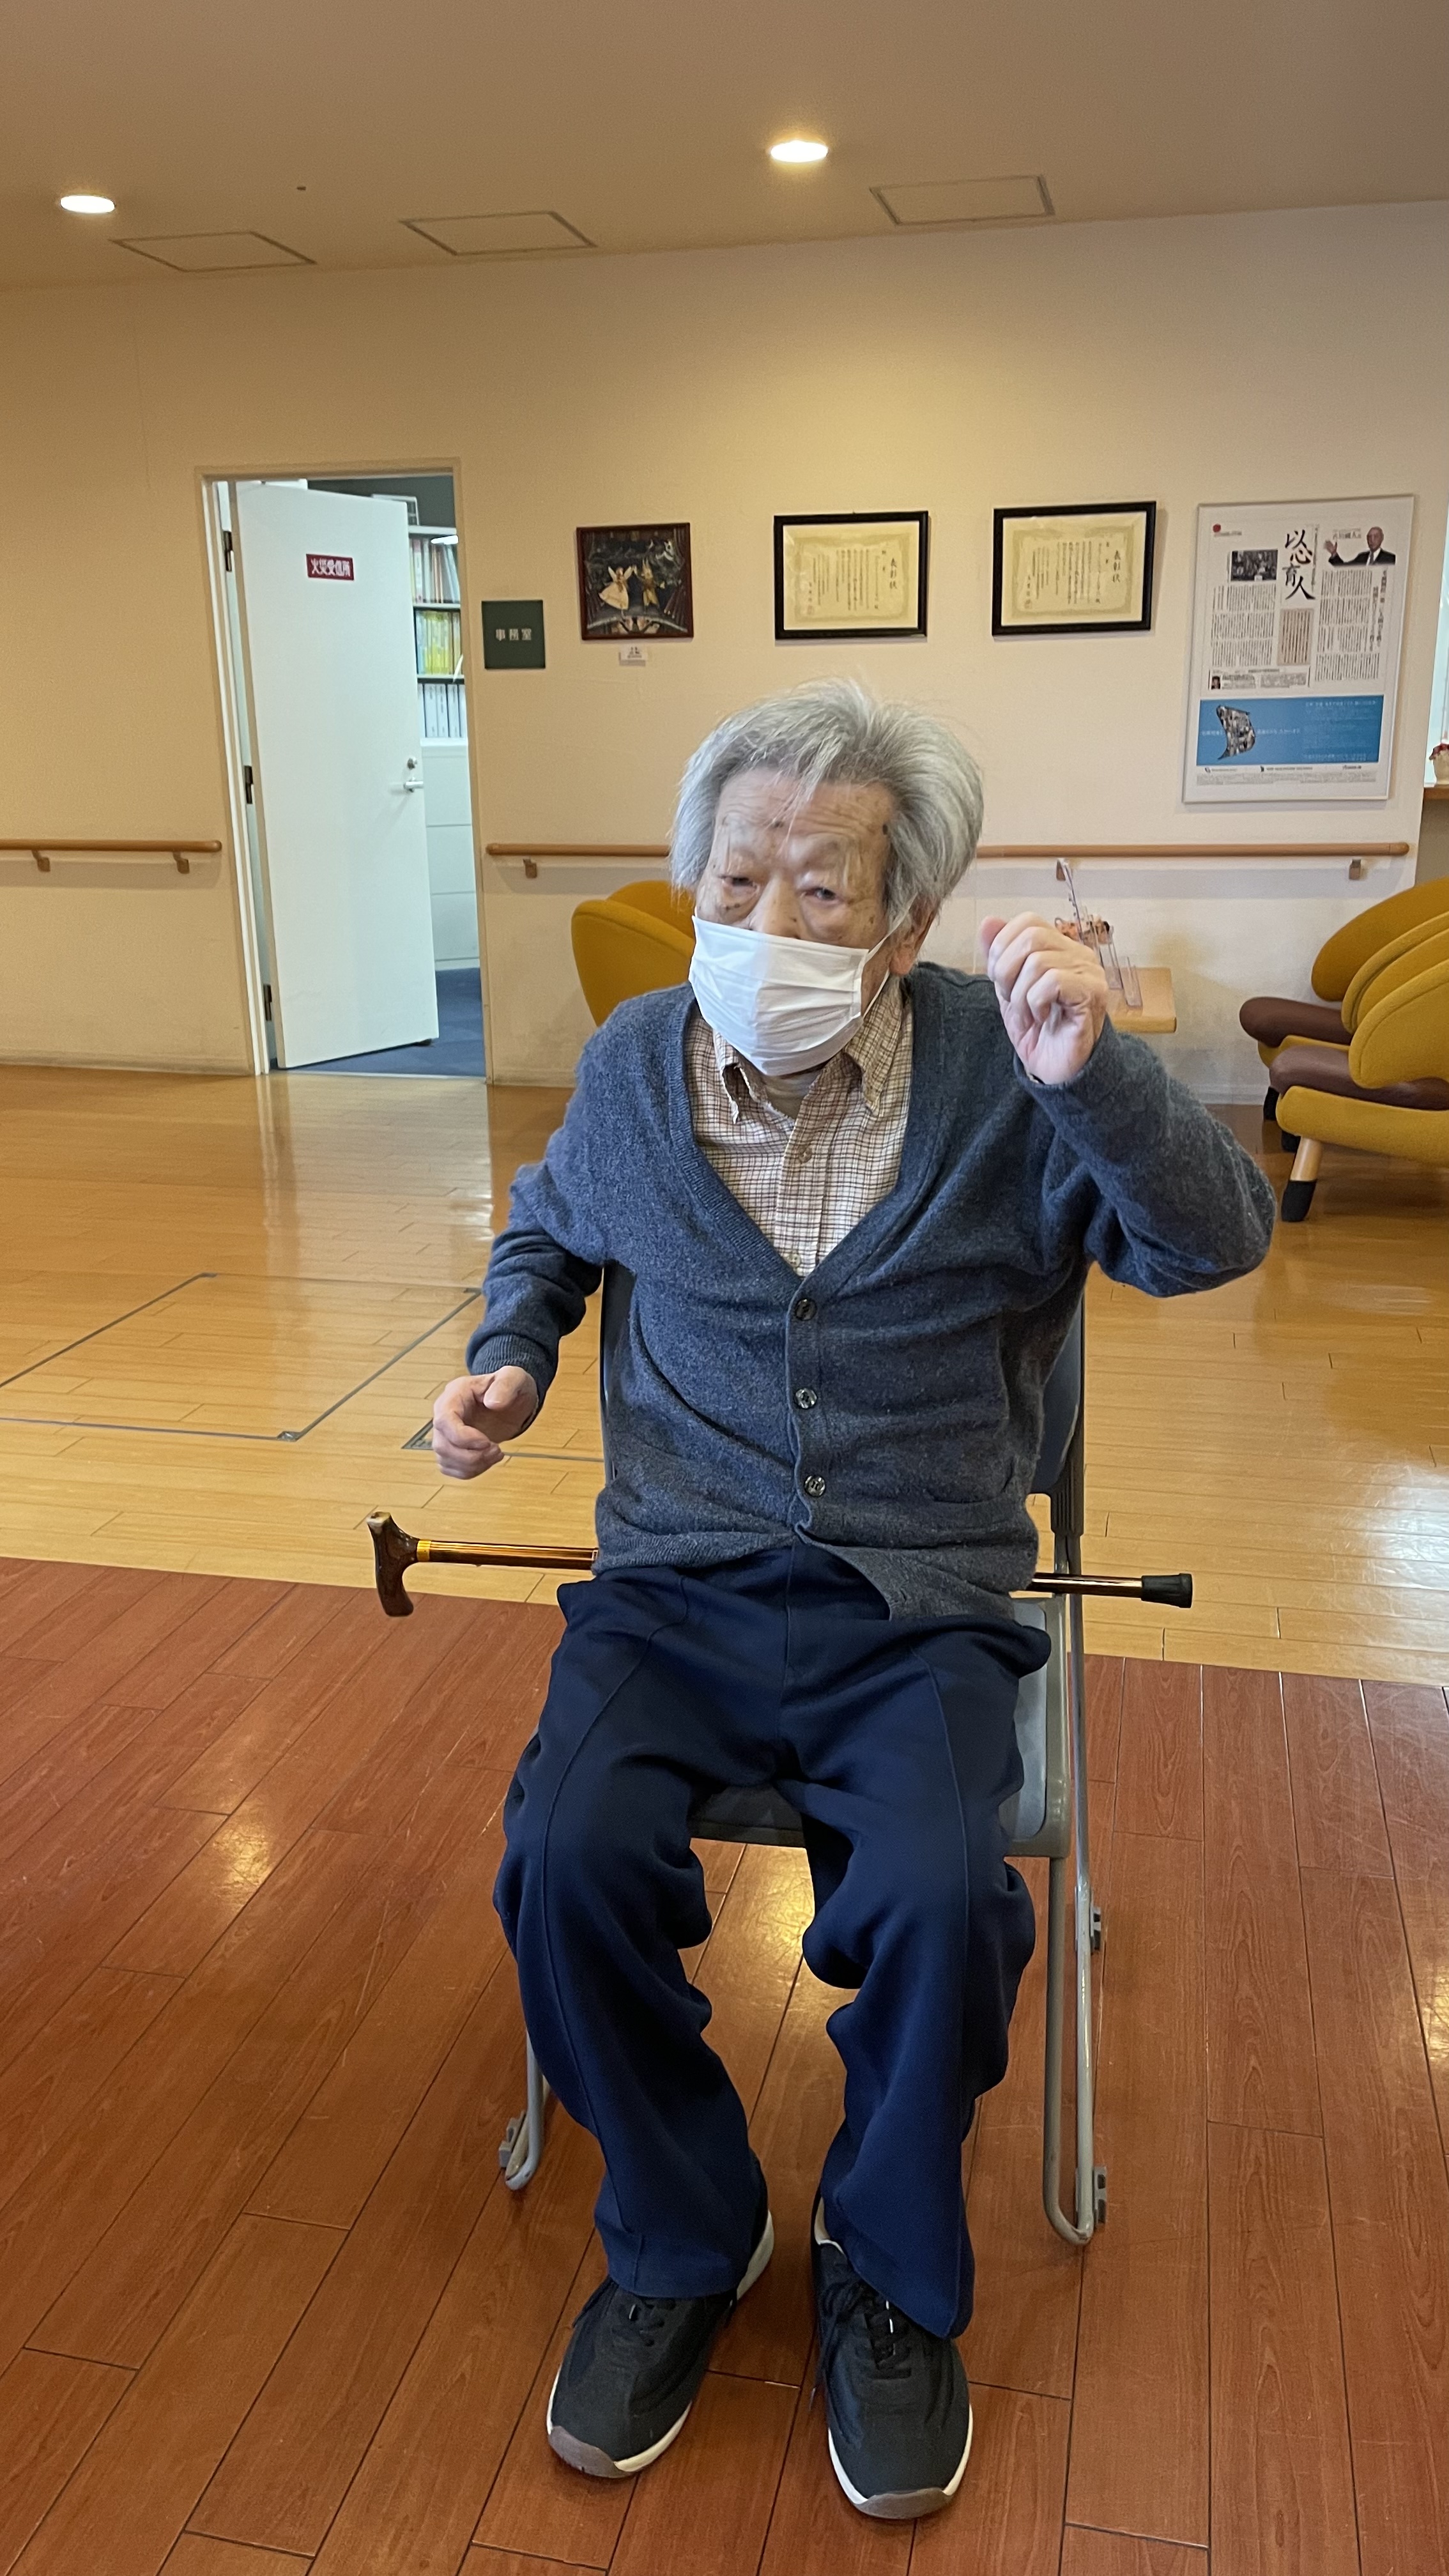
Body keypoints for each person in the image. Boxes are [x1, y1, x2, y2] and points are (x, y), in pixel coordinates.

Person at [433, 682, 1275, 2525]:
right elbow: (551, 1223)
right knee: (559, 1862)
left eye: (820, 889)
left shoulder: (1006, 1068)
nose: (766, 920)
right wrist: (510, 1356)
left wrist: (1095, 1076)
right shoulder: (635, 1060)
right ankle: (684, 2230)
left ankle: (884, 2265)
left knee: (944, 1901)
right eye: (735, 877)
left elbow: (1213, 1238)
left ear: (906, 923)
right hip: (671, 1587)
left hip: (919, 1603)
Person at [1326, 525, 1395, 565]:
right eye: (1369, 537)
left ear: (1382, 538)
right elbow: (1344, 568)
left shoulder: (1390, 558)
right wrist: (1334, 554)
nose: (1372, 540)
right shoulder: (1361, 557)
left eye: (1376, 537)